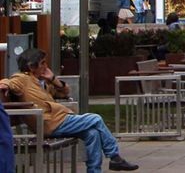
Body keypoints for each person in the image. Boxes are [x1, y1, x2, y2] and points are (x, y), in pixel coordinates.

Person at [0, 48, 138, 172]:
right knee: (95, 119)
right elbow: (8, 82)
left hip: (57, 120)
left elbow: (64, 93)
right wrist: (4, 87)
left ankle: (94, 171)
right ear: (31, 66)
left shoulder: (41, 81)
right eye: (42, 63)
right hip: (50, 123)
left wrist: (53, 79)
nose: (46, 66)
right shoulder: (22, 79)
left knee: (93, 133)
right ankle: (115, 157)